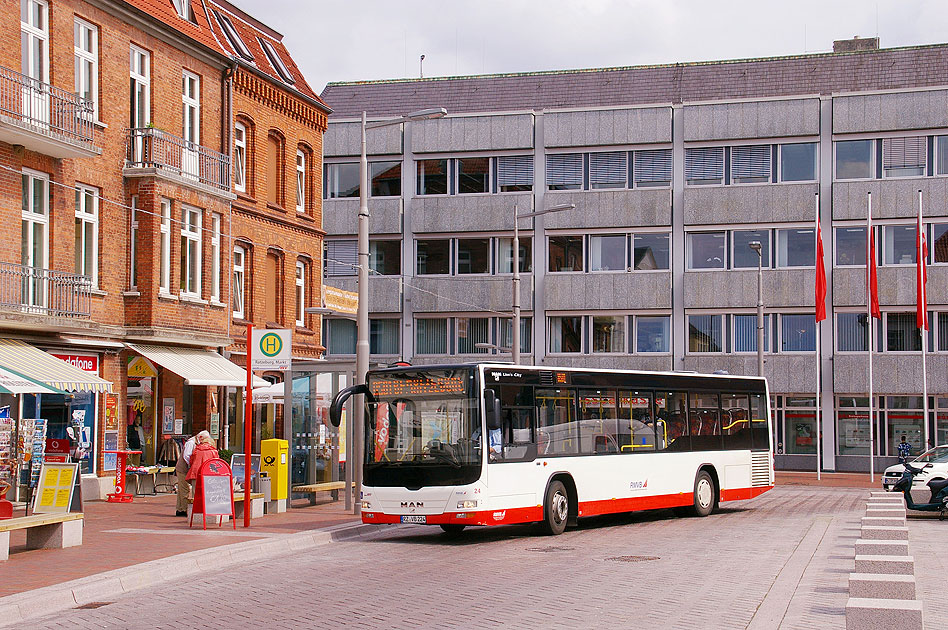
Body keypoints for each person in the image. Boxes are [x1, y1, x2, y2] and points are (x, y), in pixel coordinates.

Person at [174, 434, 197, 517]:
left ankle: (180, 509)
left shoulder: (193, 443)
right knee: (184, 489)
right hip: (183, 469)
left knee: (182, 489)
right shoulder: (191, 443)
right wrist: (191, 465)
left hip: (184, 469)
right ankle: (183, 509)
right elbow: (186, 456)